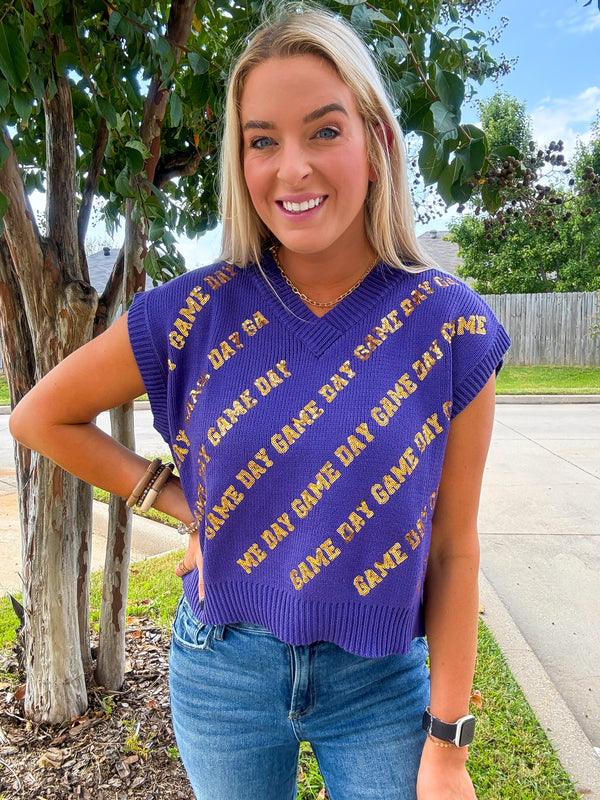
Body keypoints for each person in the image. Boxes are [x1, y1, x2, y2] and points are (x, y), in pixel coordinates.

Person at [10, 5, 510, 799]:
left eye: (323, 131)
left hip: (379, 685)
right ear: (240, 163)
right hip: (221, 673)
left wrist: (449, 748)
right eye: (262, 140)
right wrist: (178, 501)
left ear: (376, 144)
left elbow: (454, 548)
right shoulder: (194, 310)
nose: (293, 168)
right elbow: (39, 416)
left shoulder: (447, 323)